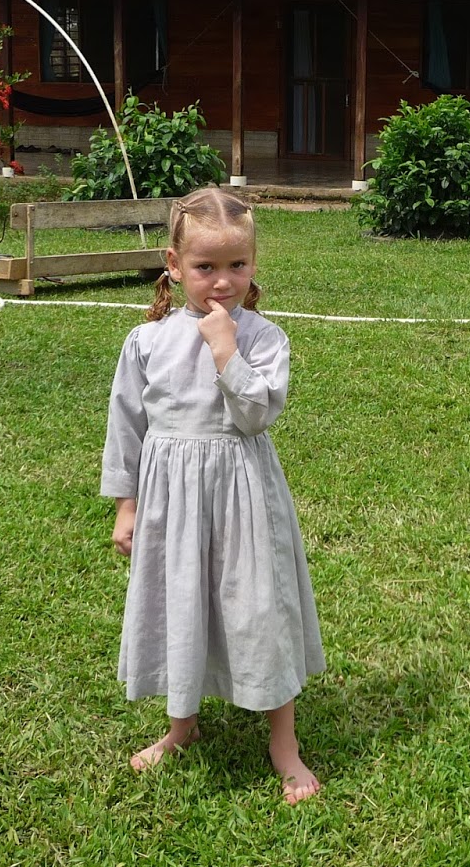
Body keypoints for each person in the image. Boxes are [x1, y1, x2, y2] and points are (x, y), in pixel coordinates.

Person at [102, 186, 326, 804]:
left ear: (253, 266)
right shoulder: (145, 342)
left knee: (259, 607)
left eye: (237, 266)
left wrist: (226, 348)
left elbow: (256, 414)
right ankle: (182, 726)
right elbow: (127, 425)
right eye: (205, 267)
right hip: (171, 504)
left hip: (243, 499)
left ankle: (284, 743)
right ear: (173, 266)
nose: (221, 282)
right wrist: (126, 504)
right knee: (182, 603)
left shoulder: (263, 338)